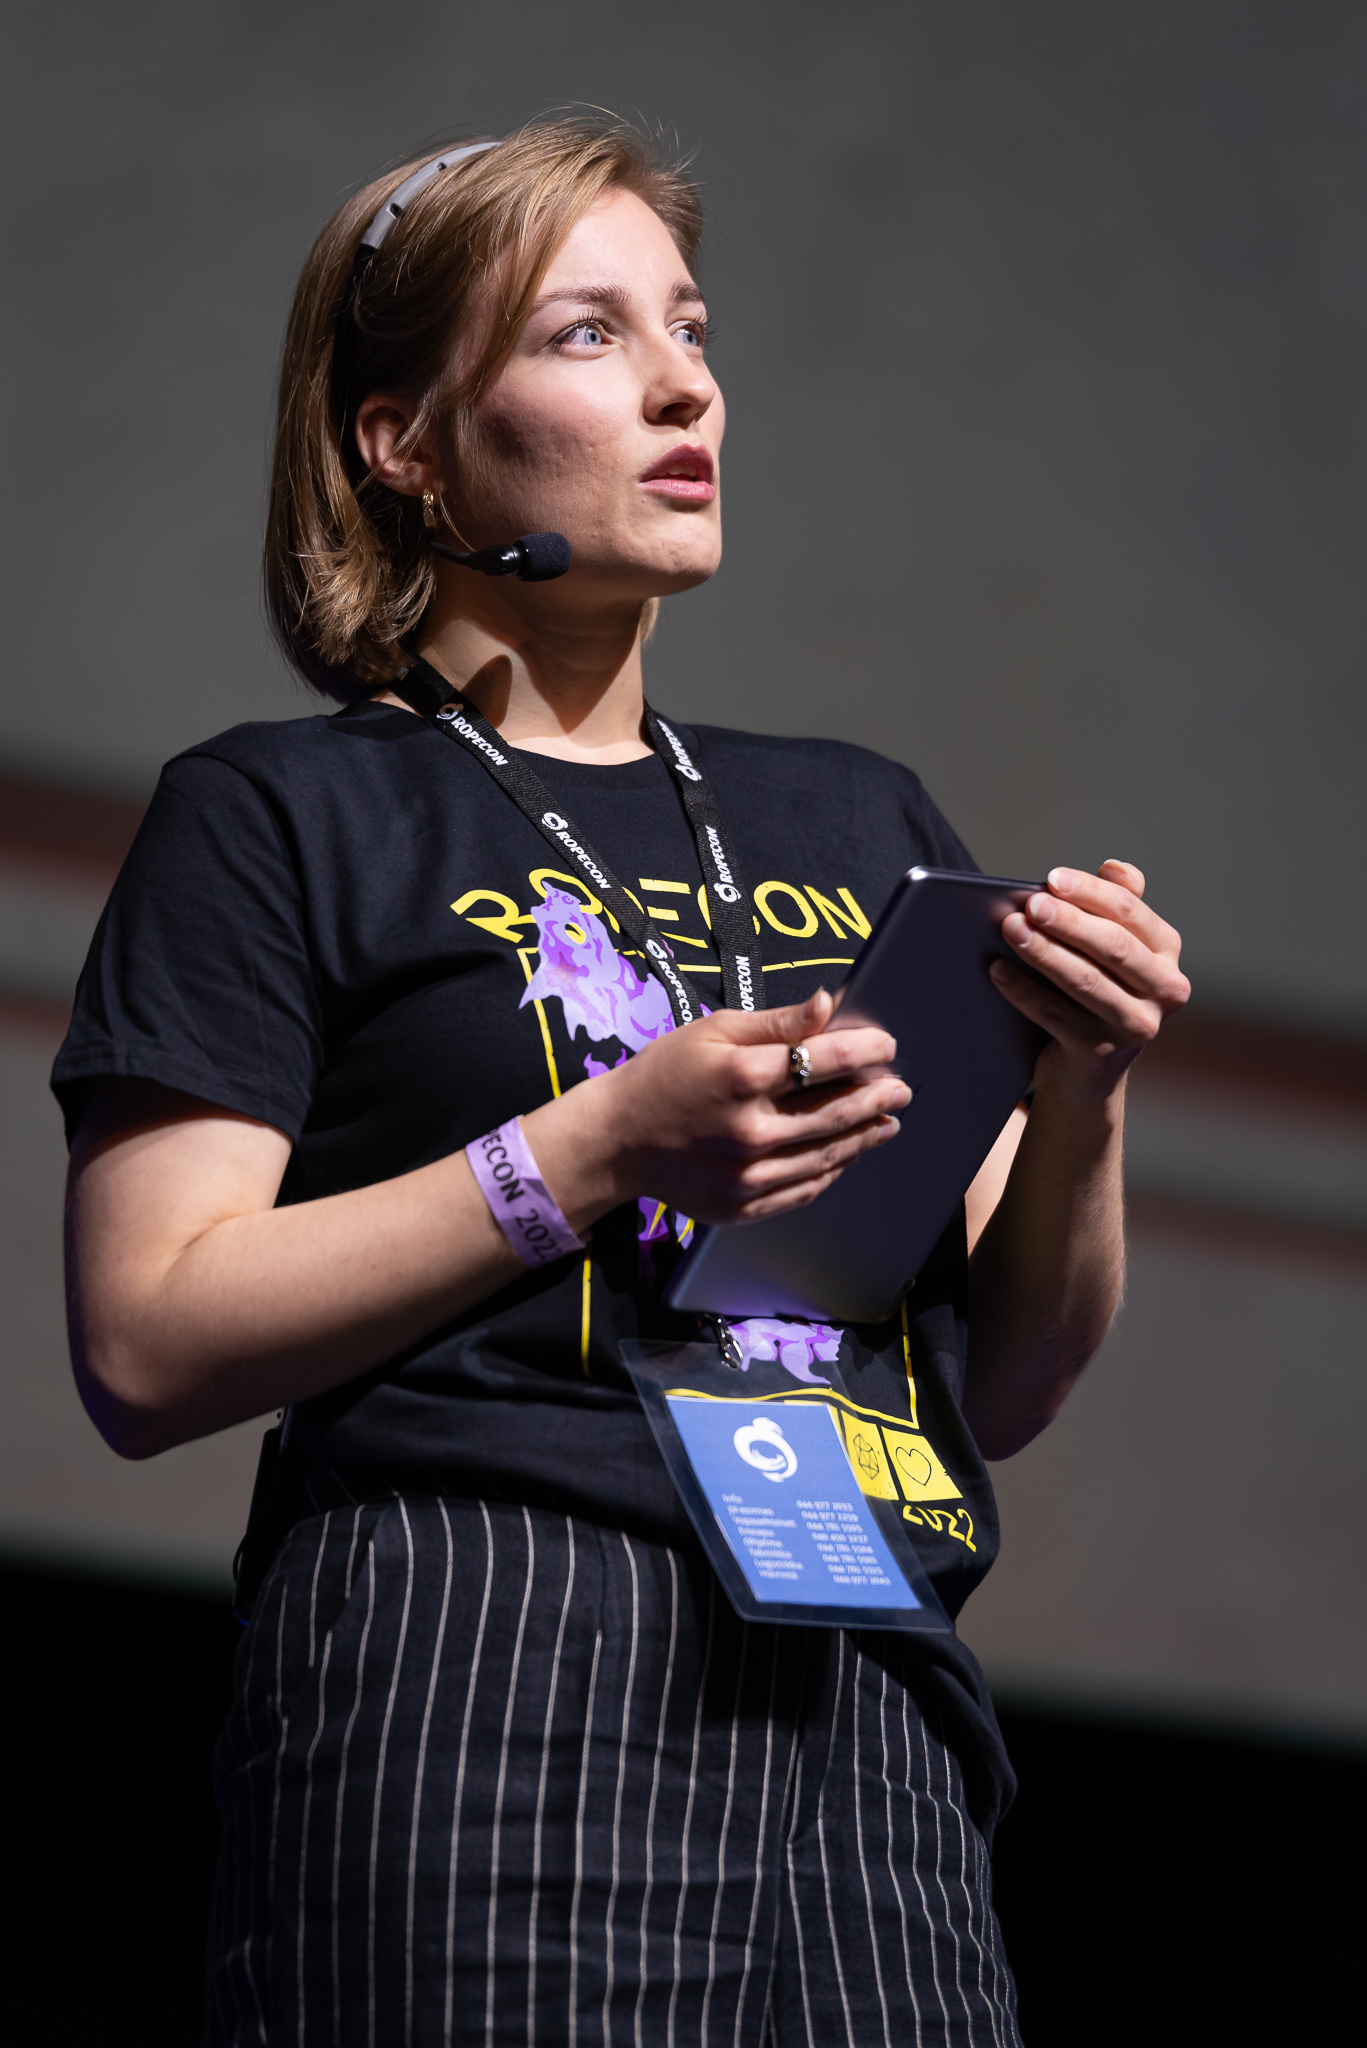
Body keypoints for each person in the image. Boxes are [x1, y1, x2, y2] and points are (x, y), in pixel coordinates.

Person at [55, 121, 1189, 2047]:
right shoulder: (281, 813)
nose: (684, 388)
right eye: (588, 334)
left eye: (690, 328)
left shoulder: (860, 815)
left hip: (869, 1704)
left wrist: (1084, 1088)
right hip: (482, 1682)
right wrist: (593, 1147)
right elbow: (147, 1343)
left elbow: (1010, 1376)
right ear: (403, 443)